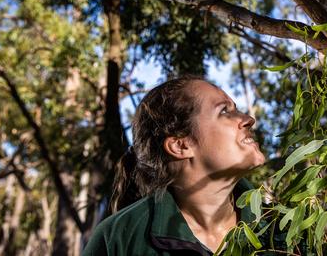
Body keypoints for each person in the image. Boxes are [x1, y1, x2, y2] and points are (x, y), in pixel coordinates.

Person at [83, 76, 267, 255]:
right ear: (180, 146)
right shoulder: (118, 238)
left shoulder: (277, 230)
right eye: (224, 111)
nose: (248, 119)